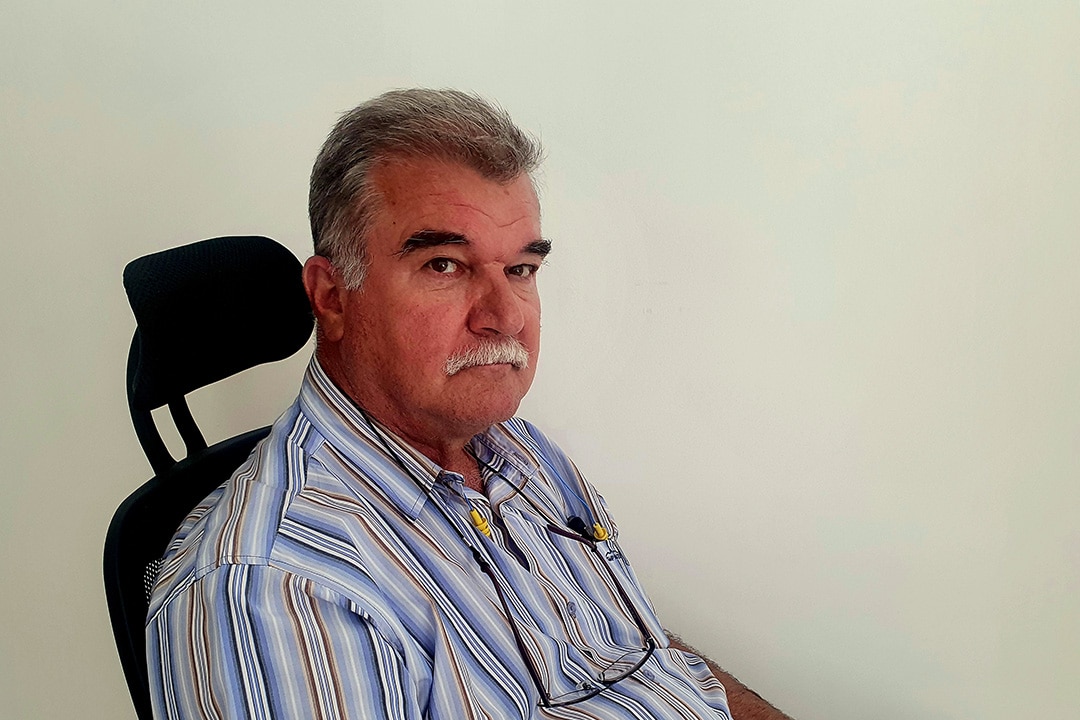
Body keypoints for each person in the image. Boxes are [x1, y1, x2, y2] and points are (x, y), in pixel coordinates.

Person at [147, 89, 790, 719]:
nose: (505, 318)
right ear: (333, 296)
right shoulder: (275, 591)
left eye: (521, 269)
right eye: (446, 266)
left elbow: (636, 659)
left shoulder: (515, 450)